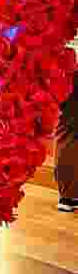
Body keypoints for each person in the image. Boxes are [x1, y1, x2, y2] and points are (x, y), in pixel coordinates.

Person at [55, 45, 78, 213]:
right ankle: (68, 195)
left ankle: (69, 194)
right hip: (72, 65)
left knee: (68, 130)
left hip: (64, 65)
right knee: (70, 130)